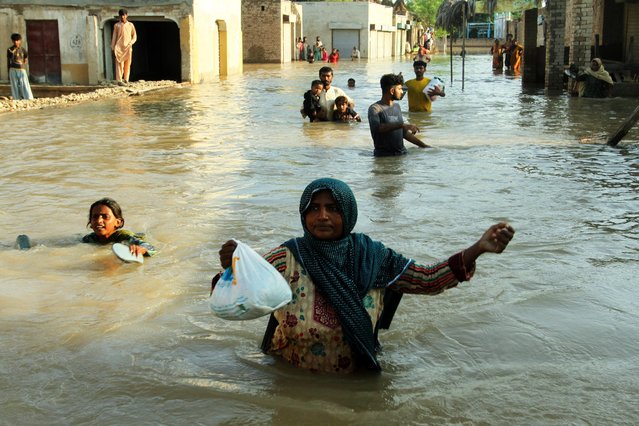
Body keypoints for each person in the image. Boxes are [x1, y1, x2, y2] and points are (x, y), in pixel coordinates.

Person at [215, 178, 515, 373]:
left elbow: (427, 279)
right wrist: (233, 269)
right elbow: (238, 300)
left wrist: (477, 249)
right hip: (291, 378)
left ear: (348, 212)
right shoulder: (287, 257)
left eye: (332, 208)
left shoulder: (375, 256)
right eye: (314, 208)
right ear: (303, 215)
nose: (322, 216)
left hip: (356, 380)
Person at [368, 73, 430, 156]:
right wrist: (402, 125)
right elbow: (377, 128)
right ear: (392, 91)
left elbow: (403, 133)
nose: (402, 92)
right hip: (384, 158)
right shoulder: (375, 108)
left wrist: (424, 146)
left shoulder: (397, 106)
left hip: (402, 154)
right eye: (400, 89)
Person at [82, 198, 156, 257]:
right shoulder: (89, 239)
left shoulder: (125, 237)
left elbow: (151, 248)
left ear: (118, 222)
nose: (99, 220)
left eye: (105, 217)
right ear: (90, 223)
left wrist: (141, 249)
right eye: (95, 217)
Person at [111, 8, 137, 85]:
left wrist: (131, 43)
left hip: (128, 47)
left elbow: (134, 36)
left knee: (127, 64)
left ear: (126, 15)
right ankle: (119, 80)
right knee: (119, 64)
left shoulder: (131, 25)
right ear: (119, 16)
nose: (122, 17)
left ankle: (126, 79)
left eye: (124, 15)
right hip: (119, 48)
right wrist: (113, 48)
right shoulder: (116, 25)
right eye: (121, 15)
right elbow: (114, 37)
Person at [6, 33, 34, 100]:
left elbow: (25, 59)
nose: (16, 42)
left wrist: (22, 65)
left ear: (20, 40)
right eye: (14, 40)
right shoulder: (9, 50)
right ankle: (16, 99)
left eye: (17, 40)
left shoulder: (23, 50)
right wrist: (8, 72)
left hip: (21, 70)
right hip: (12, 69)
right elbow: (8, 61)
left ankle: (29, 98)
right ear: (12, 41)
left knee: (24, 84)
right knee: (14, 85)